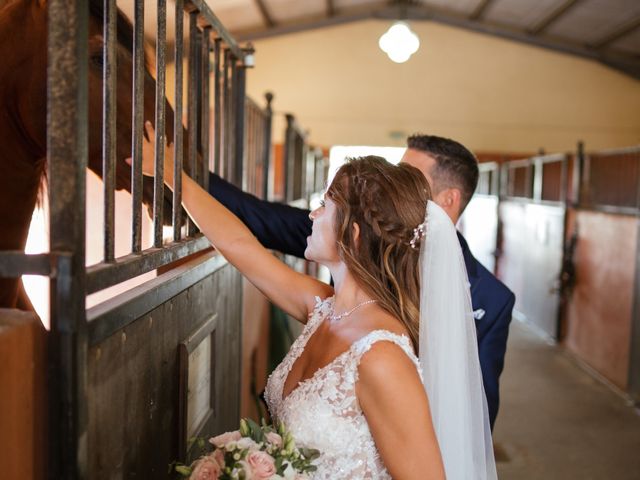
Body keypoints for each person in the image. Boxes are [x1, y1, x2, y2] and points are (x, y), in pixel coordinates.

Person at [134, 122, 496, 479]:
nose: (311, 214)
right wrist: (172, 177)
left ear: (352, 234)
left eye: (325, 204)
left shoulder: (384, 357)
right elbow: (239, 246)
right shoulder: (324, 307)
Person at [208, 134, 515, 429]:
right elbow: (253, 224)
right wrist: (183, 173)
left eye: (410, 178)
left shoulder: (492, 299)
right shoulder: (349, 230)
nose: (392, 184)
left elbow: (478, 417)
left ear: (449, 199)